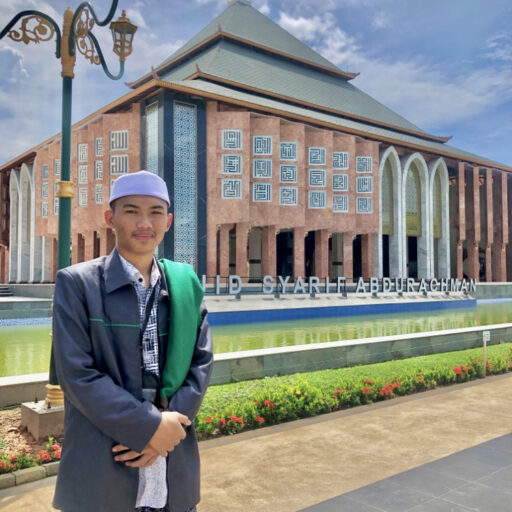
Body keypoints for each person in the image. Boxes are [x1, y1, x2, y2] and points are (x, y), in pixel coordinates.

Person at [52, 170, 213, 512]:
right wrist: (148, 428)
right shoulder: (78, 285)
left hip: (172, 465)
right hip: (103, 463)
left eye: (155, 212)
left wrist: (168, 429)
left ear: (168, 221)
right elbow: (76, 374)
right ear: (110, 218)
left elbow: (200, 363)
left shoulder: (184, 285)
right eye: (131, 211)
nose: (144, 222)